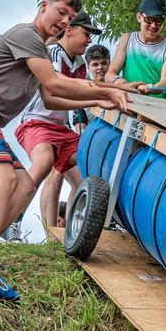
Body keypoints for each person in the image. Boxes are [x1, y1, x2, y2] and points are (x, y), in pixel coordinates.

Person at [0, 0, 130, 301]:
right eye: (61, 12)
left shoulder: (40, 52)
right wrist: (105, 92)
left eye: (70, 18)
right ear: (43, 5)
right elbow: (55, 82)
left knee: (24, 184)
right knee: (3, 178)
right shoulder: (26, 35)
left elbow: (52, 97)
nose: (64, 22)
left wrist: (98, 102)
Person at [15, 12, 103, 229]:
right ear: (70, 31)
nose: (89, 40)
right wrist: (99, 95)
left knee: (86, 167)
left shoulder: (81, 64)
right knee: (44, 163)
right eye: (86, 33)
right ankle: (14, 217)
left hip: (62, 129)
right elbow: (55, 90)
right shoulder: (52, 53)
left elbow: (80, 93)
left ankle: (67, 233)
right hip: (37, 121)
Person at [36, 42, 114, 235]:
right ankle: (49, 231)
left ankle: (72, 230)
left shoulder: (113, 85)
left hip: (99, 141)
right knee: (54, 174)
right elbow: (79, 121)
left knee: (80, 182)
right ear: (89, 67)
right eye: (95, 64)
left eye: (104, 63)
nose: (100, 68)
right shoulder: (83, 82)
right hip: (63, 130)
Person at [105, 0, 166, 92]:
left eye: (159, 20)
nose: (153, 25)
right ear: (139, 17)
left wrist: (150, 88)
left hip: (159, 104)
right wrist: (117, 80)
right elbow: (110, 74)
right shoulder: (127, 39)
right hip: (130, 100)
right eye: (149, 20)